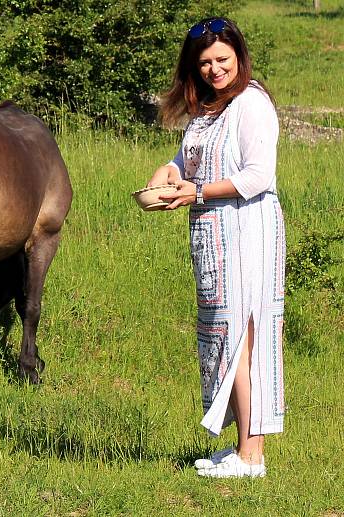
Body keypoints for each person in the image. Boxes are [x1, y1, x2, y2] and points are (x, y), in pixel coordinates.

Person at [147, 17, 285, 478]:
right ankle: (243, 447)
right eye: (204, 63)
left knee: (246, 336)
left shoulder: (251, 104)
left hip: (247, 231)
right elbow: (189, 159)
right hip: (214, 237)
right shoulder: (208, 108)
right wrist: (167, 172)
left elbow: (257, 175)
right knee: (226, 339)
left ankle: (252, 456)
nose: (214, 70)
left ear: (239, 57)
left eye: (222, 60)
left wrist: (198, 192)